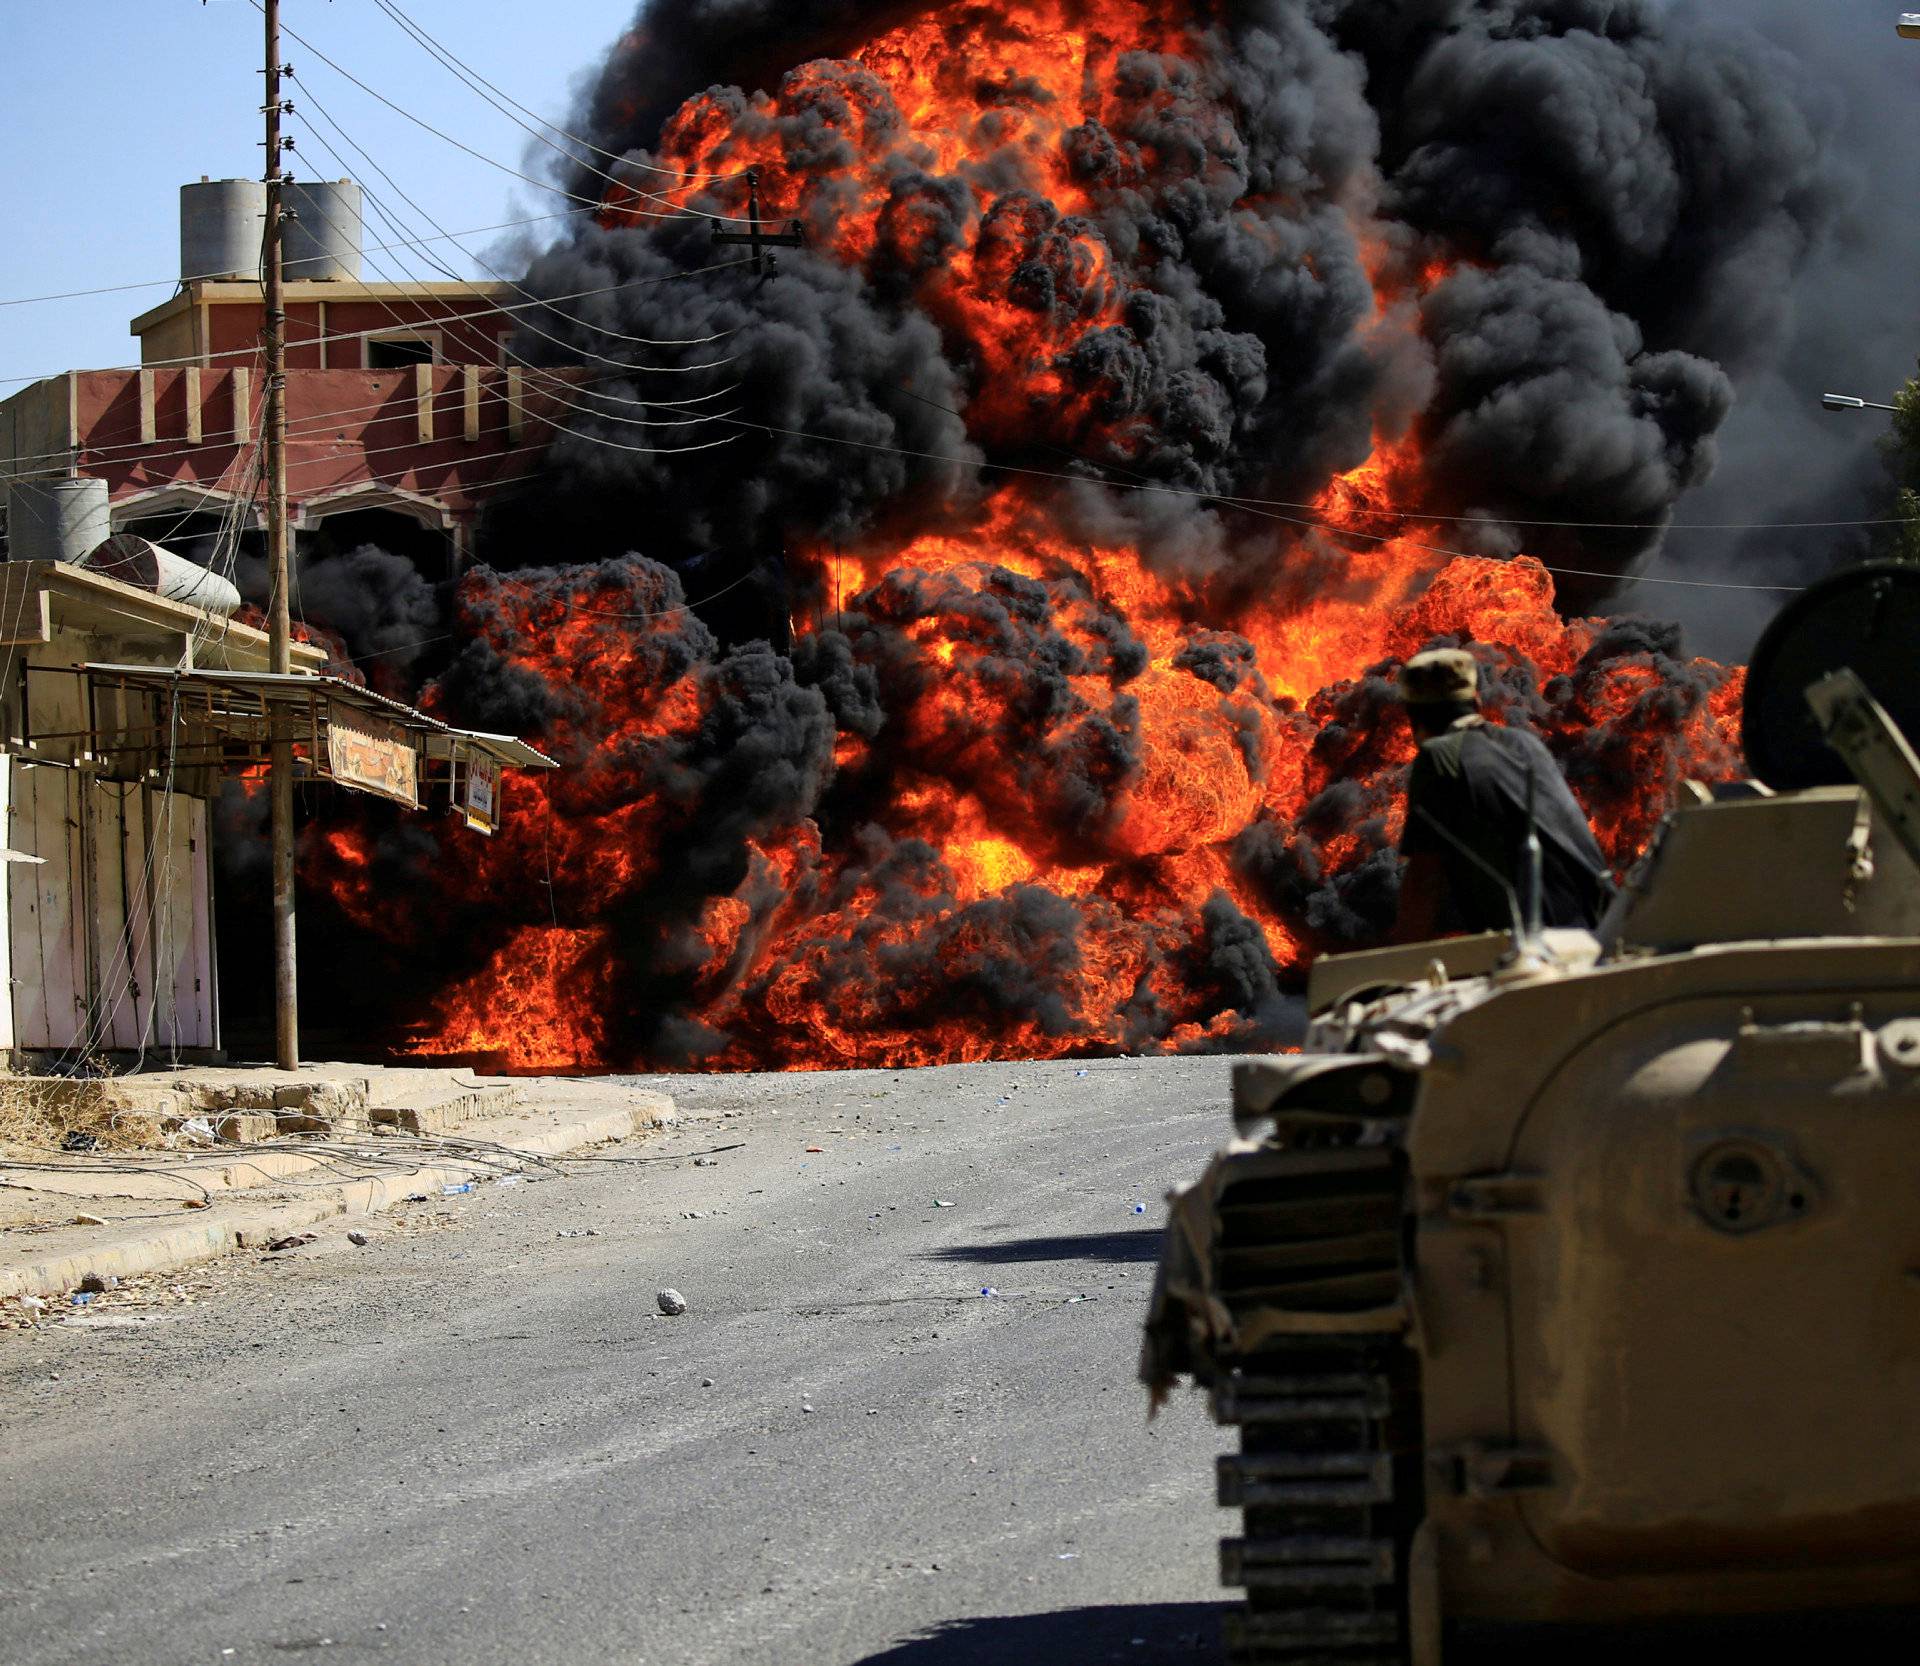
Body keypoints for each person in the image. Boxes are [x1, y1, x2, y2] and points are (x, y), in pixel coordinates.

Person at [1392, 648, 1614, 942]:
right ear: (1477, 702)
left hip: (1541, 949)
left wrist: (1399, 968)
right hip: (1609, 928)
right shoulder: (1525, 743)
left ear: (1414, 721)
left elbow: (1424, 881)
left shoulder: (1439, 756)